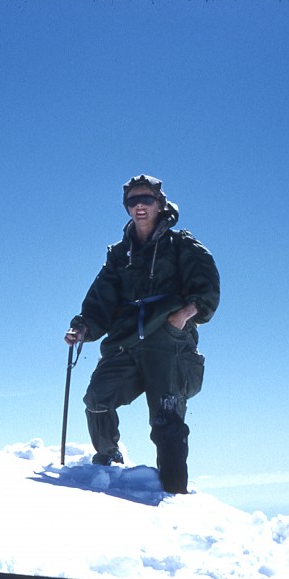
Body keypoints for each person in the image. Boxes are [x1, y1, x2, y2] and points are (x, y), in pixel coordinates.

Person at [64, 174, 220, 494]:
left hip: (167, 340)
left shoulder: (181, 245)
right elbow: (100, 301)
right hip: (126, 341)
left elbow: (207, 290)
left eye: (146, 199)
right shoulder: (120, 255)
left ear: (160, 204)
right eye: (132, 201)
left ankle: (173, 494)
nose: (139, 206)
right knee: (97, 399)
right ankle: (108, 461)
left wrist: (182, 317)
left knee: (167, 421)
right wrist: (83, 328)